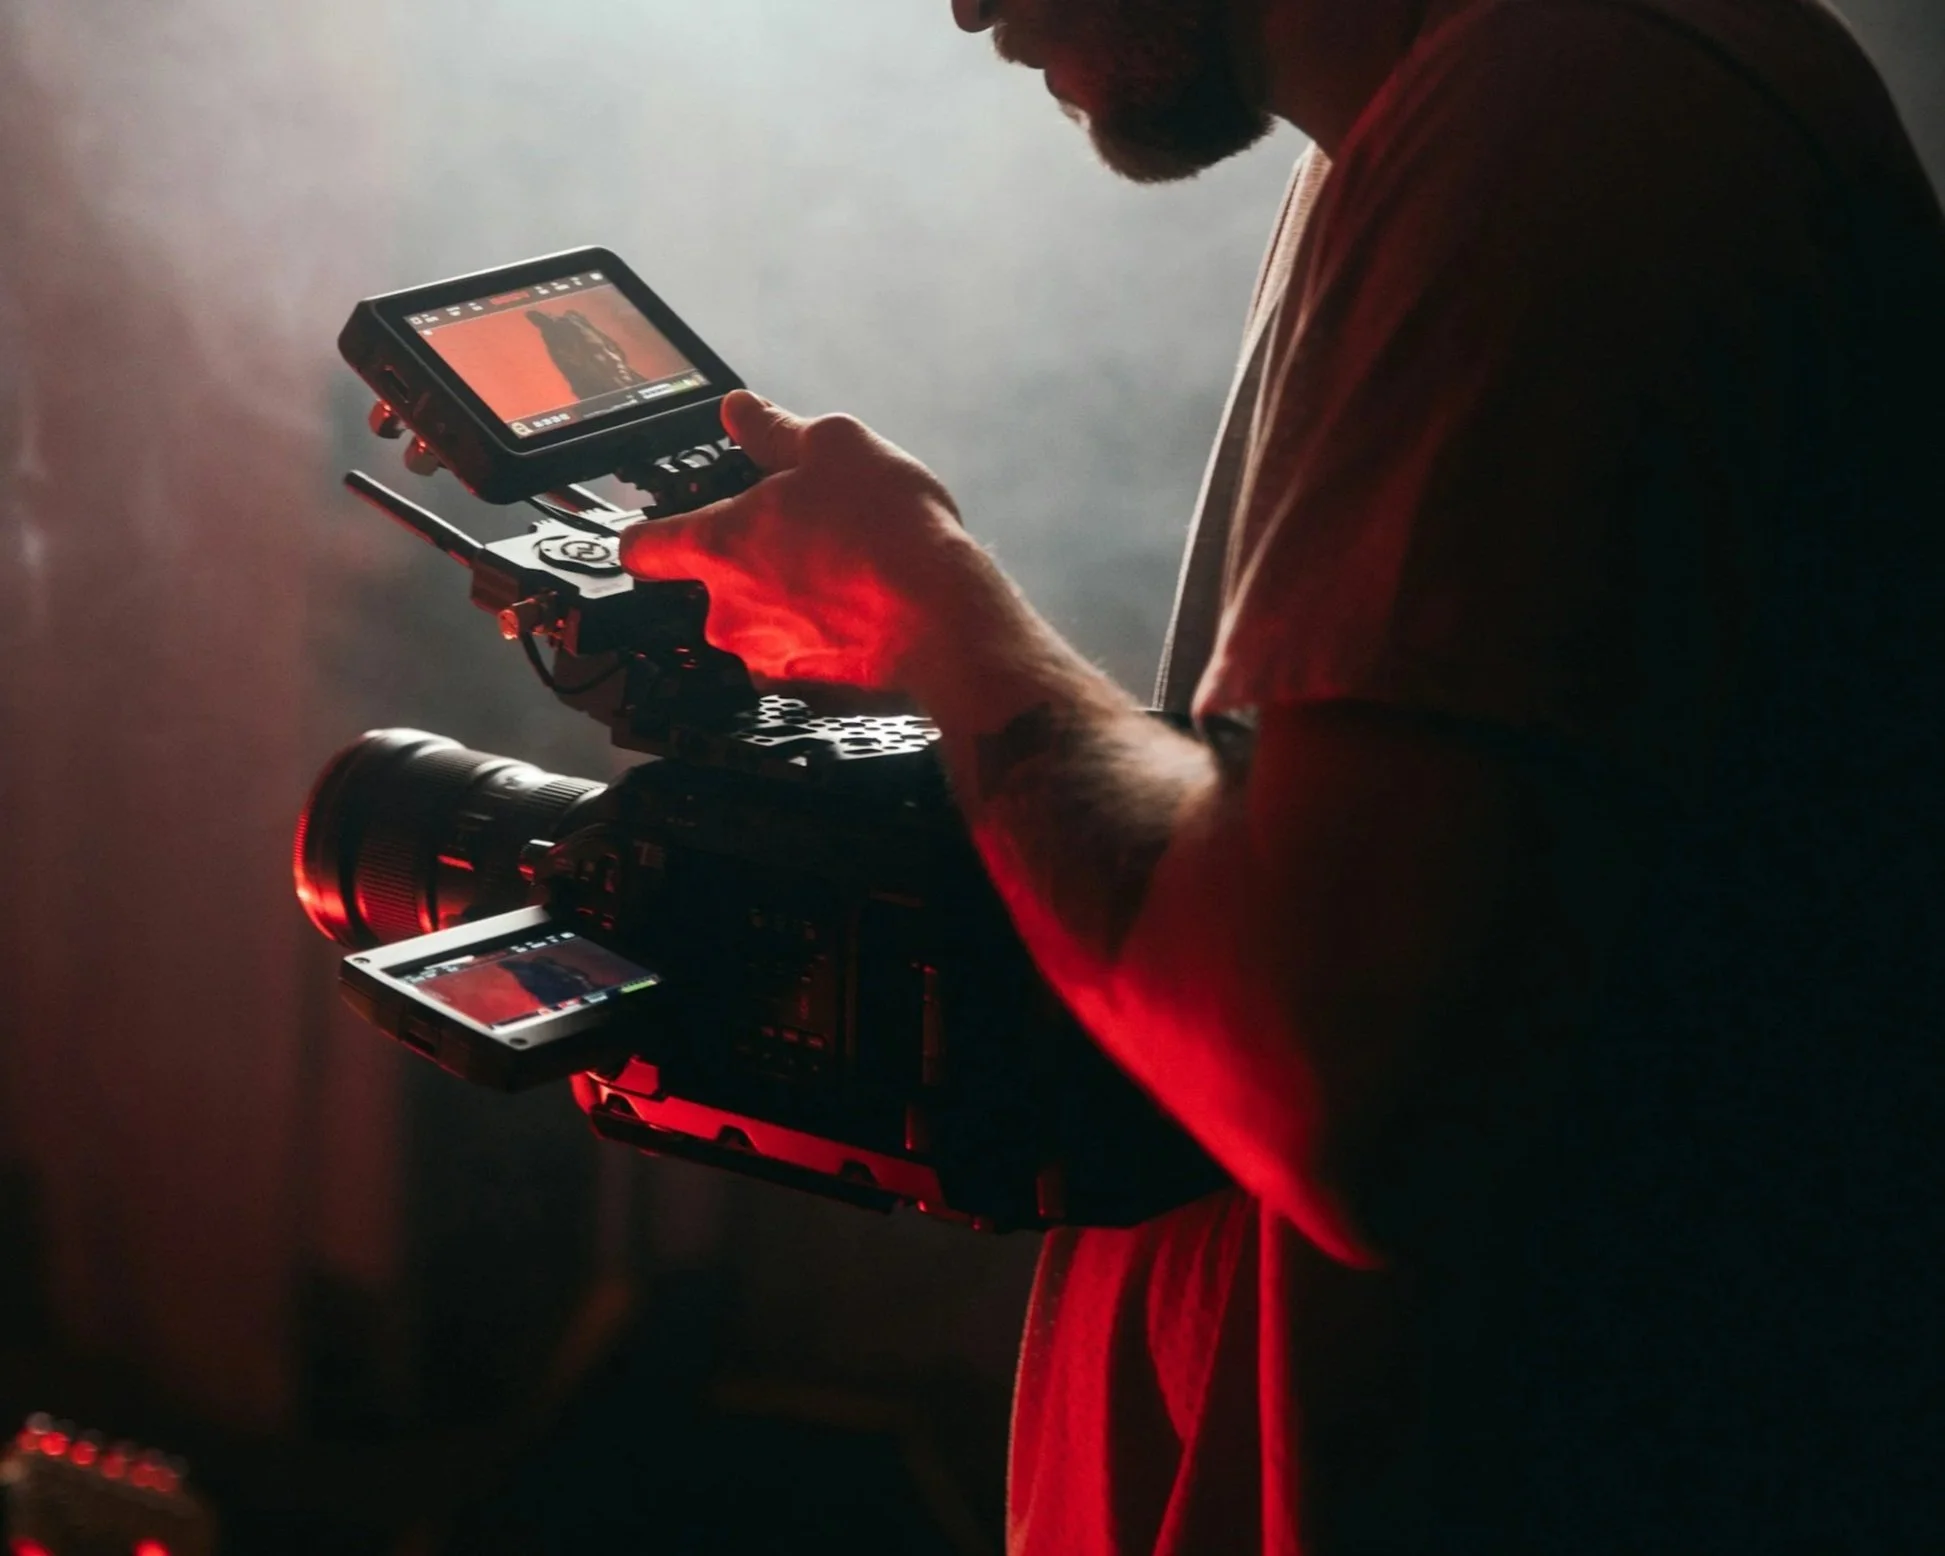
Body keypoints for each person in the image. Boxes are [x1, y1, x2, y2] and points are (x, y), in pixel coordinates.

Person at [621, 0, 1945, 1549]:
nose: (963, 5)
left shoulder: (1566, 120)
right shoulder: (1453, 120)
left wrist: (936, 615)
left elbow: (1329, 1074)